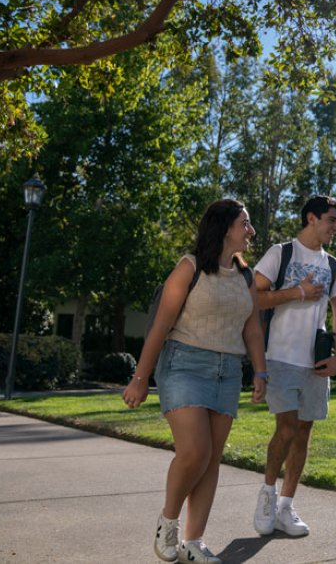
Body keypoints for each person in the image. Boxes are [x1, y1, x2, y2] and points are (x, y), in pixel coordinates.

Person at [122, 199, 268, 564]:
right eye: (245, 224)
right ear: (223, 228)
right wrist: (140, 378)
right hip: (184, 363)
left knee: (212, 459)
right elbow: (160, 325)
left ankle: (193, 542)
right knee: (195, 452)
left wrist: (261, 371)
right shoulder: (189, 268)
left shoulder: (245, 275)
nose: (250, 231)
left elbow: (252, 328)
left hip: (228, 370)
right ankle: (168, 522)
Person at [252, 196, 336, 538]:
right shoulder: (281, 253)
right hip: (280, 357)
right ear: (311, 218)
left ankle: (286, 507)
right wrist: (297, 292)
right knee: (287, 428)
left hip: (315, 363)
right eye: (332, 220)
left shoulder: (335, 266)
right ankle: (267, 494)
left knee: (304, 432)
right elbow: (254, 297)